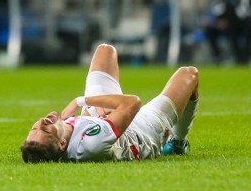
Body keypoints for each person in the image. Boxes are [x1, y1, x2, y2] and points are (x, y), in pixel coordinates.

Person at [21, 43, 198, 163]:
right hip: (140, 132)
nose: (41, 122)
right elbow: (132, 103)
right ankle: (178, 143)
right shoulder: (90, 145)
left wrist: (90, 112)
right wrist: (81, 101)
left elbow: (88, 122)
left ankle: (96, 108)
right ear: (61, 145)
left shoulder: (62, 133)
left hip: (101, 117)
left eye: (33, 128)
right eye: (44, 130)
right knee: (190, 74)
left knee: (105, 50)